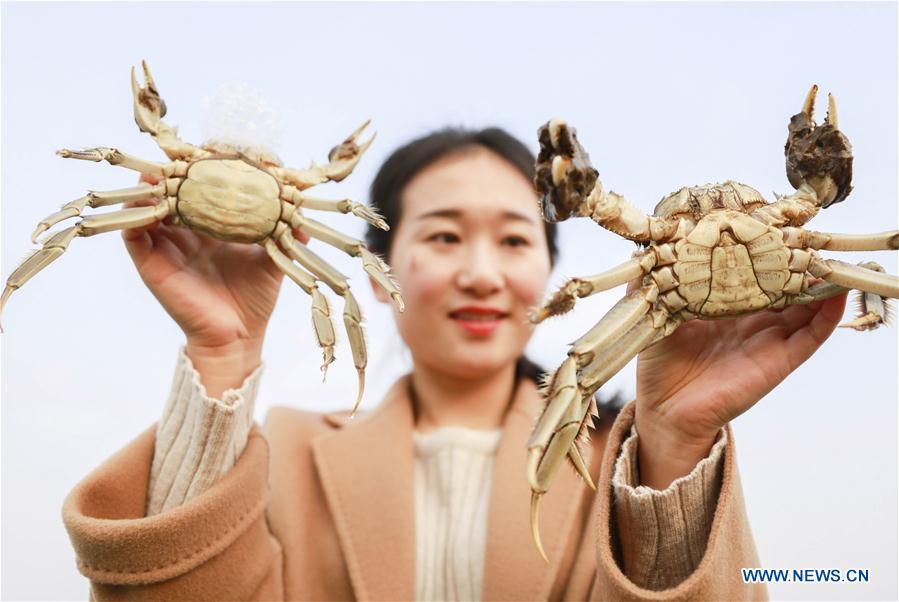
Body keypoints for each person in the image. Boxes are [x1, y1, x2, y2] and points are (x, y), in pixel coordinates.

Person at [62, 126, 846, 600]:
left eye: (513, 238)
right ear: (377, 266)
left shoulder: (625, 464)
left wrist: (671, 438)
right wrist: (221, 350)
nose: (480, 272)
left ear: (551, 270)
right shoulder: (286, 453)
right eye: (441, 236)